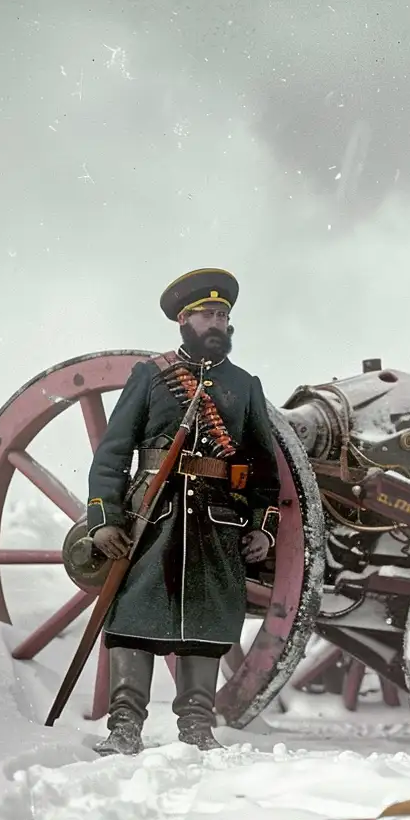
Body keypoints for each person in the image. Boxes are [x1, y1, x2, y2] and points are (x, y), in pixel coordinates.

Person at [79, 268, 283, 755]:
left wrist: (262, 527)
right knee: (133, 619)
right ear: (183, 321)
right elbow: (113, 453)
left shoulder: (243, 386)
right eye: (207, 314)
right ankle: (124, 727)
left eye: (223, 315)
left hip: (215, 522)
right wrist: (104, 519)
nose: (217, 322)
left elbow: (262, 468)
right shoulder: (151, 376)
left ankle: (196, 727)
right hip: (154, 517)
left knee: (208, 625)